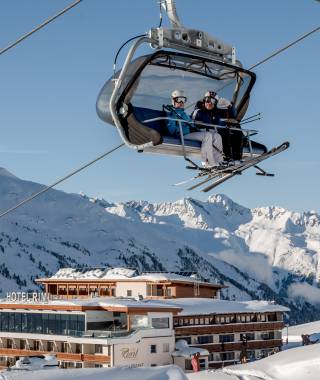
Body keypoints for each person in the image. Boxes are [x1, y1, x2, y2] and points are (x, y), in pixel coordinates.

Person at [165, 90, 223, 168]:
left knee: (217, 136)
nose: (182, 102)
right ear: (173, 101)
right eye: (179, 100)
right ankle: (207, 162)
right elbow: (171, 129)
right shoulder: (171, 114)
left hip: (189, 134)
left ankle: (219, 161)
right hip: (182, 135)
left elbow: (192, 124)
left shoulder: (184, 114)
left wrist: (194, 126)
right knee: (207, 136)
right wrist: (179, 130)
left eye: (183, 100)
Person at [192, 91, 243, 161]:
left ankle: (237, 158)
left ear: (215, 103)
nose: (209, 103)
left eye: (212, 101)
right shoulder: (198, 111)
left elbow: (233, 115)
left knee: (237, 131)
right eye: (207, 100)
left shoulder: (216, 111)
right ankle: (227, 158)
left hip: (215, 131)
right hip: (204, 132)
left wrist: (229, 105)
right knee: (224, 133)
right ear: (204, 101)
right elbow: (199, 121)